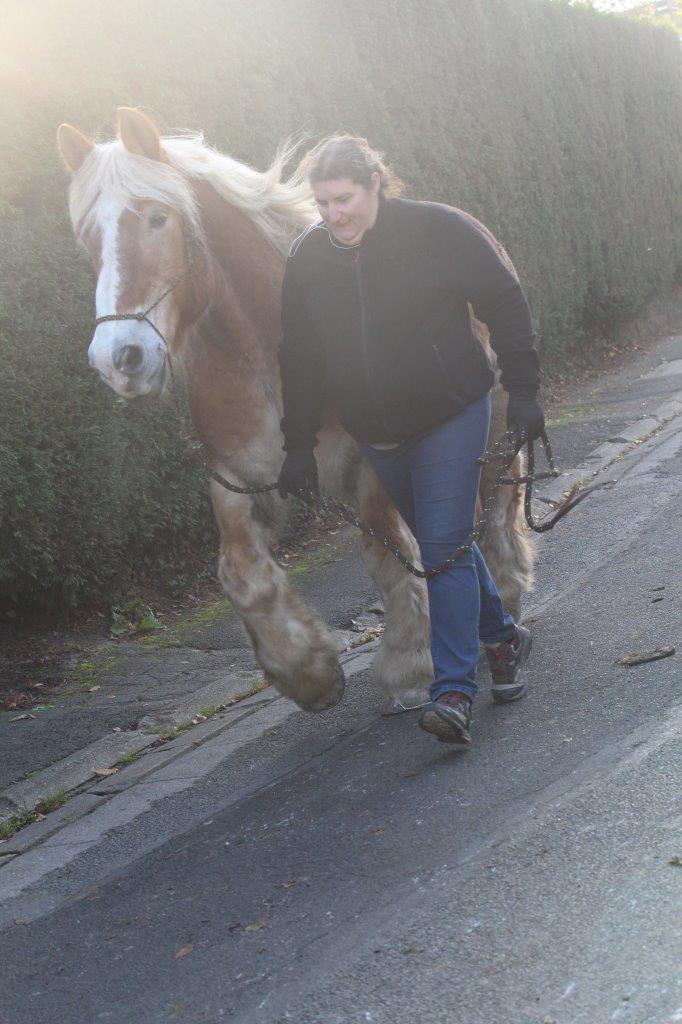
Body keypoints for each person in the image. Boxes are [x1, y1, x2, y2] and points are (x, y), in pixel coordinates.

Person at [276, 136, 544, 746]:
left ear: (375, 184)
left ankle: (453, 690)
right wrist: (297, 443)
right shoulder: (309, 257)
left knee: (444, 544)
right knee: (440, 538)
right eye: (322, 204)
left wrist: (524, 392)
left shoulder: (436, 230)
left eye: (343, 199)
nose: (333, 214)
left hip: (451, 411)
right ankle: (501, 639)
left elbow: (505, 300)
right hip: (378, 431)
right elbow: (300, 356)